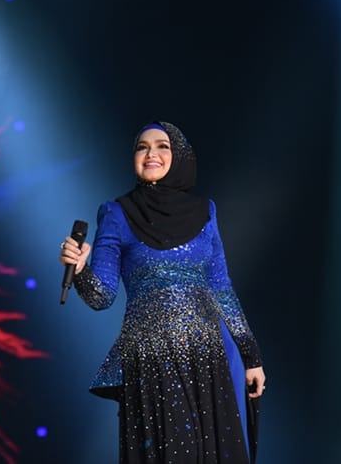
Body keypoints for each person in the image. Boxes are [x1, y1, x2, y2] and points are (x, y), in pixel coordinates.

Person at [59, 121, 265, 463]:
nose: (151, 154)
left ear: (180, 155)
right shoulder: (117, 213)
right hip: (151, 360)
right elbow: (102, 296)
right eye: (142, 147)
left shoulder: (206, 212)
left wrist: (251, 357)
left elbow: (222, 289)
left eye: (162, 146)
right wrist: (80, 270)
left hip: (208, 356)